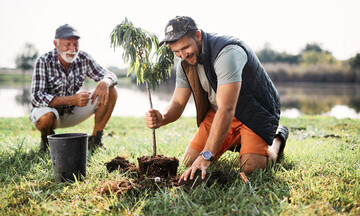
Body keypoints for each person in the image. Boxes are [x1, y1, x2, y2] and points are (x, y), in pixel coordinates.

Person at [145, 16, 289, 182]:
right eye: (176, 52)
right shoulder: (185, 64)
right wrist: (162, 117)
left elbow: (227, 108)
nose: (182, 55)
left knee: (251, 169)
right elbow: (178, 103)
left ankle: (277, 137)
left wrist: (206, 156)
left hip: (254, 113)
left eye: (185, 48)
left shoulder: (227, 53)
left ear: (198, 36)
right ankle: (236, 141)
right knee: (189, 162)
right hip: (219, 112)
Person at [30, 24, 118, 151]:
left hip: (73, 111)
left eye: (75, 44)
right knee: (45, 118)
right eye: (68, 44)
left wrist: (105, 82)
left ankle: (95, 140)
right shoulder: (43, 61)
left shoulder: (84, 58)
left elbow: (109, 75)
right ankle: (47, 140)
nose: (72, 49)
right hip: (50, 113)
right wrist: (72, 99)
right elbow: (36, 98)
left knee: (112, 90)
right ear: (56, 44)